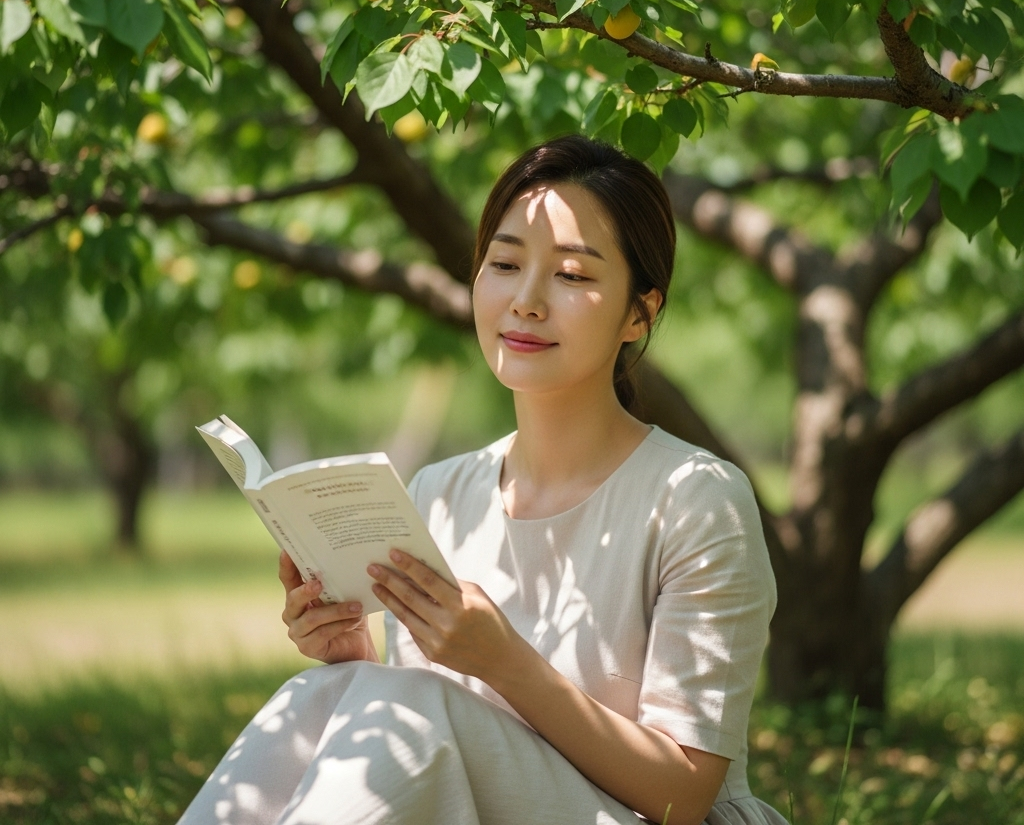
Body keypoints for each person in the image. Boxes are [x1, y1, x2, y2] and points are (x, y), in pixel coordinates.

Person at [178, 136, 786, 825]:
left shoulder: (696, 499)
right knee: (312, 696)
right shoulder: (442, 493)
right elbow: (435, 756)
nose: (525, 301)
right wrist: (354, 657)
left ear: (638, 314)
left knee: (405, 706)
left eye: (573, 276)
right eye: (503, 264)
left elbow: (685, 795)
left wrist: (505, 662)